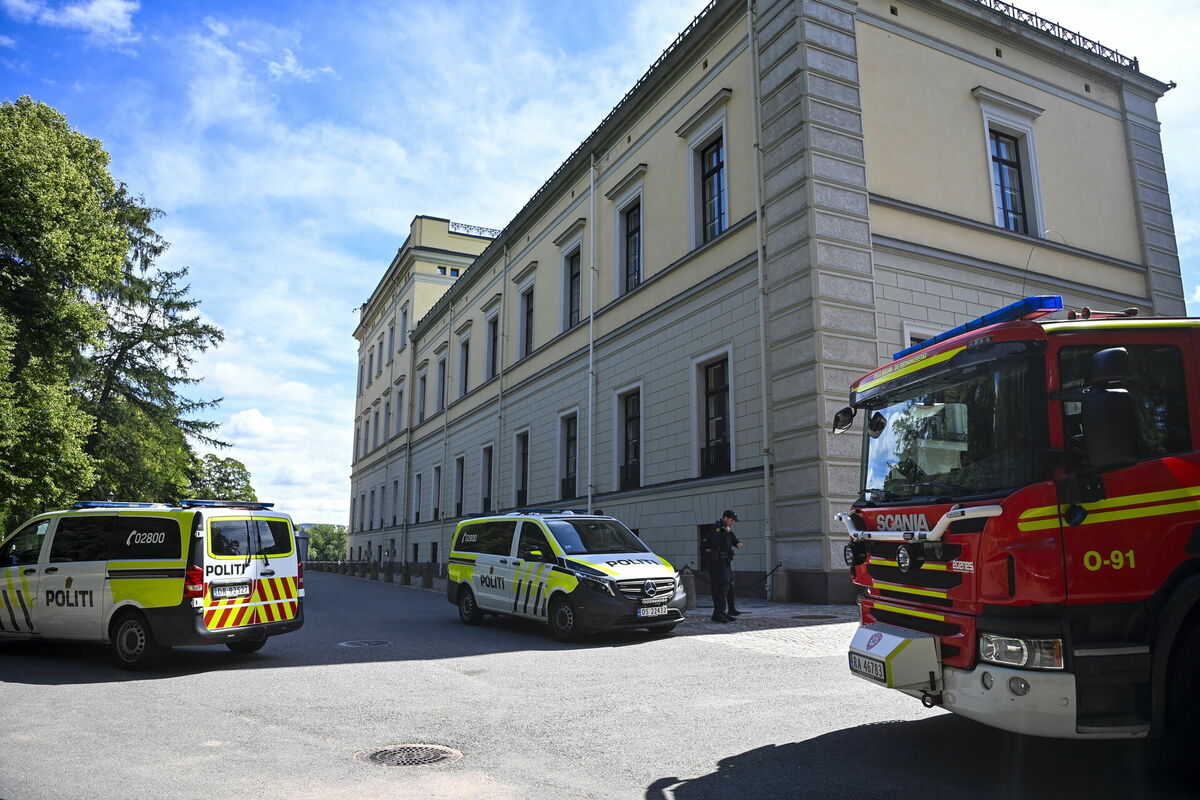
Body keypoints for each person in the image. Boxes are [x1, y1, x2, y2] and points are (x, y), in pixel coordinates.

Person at [703, 510, 743, 622]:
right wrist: (726, 533)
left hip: (725, 561)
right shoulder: (717, 527)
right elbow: (715, 543)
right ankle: (718, 613)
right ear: (725, 517)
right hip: (716, 562)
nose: (733, 522)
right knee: (721, 586)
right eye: (731, 520)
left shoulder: (726, 528)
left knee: (729, 584)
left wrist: (737, 543)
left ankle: (728, 610)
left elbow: (731, 537)